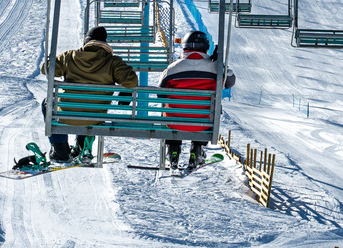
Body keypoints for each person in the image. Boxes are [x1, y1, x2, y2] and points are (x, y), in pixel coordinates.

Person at [39, 26, 138, 163]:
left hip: (65, 115)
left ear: (86, 41)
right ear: (105, 43)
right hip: (95, 118)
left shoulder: (70, 56)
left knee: (47, 103)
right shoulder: (113, 62)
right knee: (91, 108)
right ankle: (83, 147)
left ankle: (60, 148)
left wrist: (50, 61)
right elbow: (132, 81)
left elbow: (46, 70)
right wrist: (125, 91)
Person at [158, 30, 235, 170]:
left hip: (174, 122)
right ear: (206, 47)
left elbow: (161, 94)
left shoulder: (172, 69)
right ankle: (197, 152)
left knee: (169, 112)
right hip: (203, 123)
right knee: (205, 116)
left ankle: (173, 152)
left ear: (185, 47)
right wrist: (221, 64)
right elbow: (230, 82)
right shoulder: (215, 69)